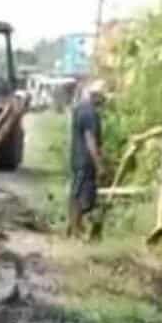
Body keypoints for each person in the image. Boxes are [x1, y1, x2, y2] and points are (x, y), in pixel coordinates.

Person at [67, 79, 106, 239]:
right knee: (82, 195)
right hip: (86, 160)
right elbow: (90, 140)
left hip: (77, 157)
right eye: (102, 98)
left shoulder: (79, 108)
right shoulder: (90, 113)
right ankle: (75, 230)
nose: (103, 102)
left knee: (76, 192)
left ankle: (74, 227)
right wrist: (99, 165)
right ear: (96, 96)